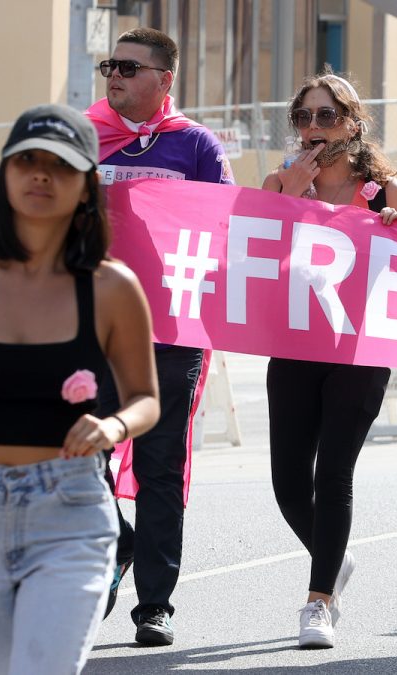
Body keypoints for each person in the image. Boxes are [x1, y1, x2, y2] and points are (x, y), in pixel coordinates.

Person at [0, 104, 159, 674]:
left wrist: (112, 426)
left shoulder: (111, 287)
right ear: (5, 173)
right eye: (28, 161)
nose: (41, 175)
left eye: (60, 165)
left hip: (69, 513)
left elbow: (145, 398)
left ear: (87, 186)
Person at [86, 27, 234, 646]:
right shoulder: (84, 138)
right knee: (77, 453)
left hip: (172, 332)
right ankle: (117, 542)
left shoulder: (196, 145)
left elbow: (230, 228)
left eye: (128, 67)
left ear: (164, 80)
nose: (113, 76)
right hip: (86, 330)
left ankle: (154, 603)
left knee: (159, 466)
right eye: (108, 66)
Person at [261, 71, 397, 649]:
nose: (314, 128)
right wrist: (289, 194)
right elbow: (251, 253)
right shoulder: (279, 180)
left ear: (353, 123)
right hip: (295, 343)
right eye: (304, 117)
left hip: (358, 347)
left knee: (334, 472)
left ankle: (318, 601)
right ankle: (335, 559)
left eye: (327, 116)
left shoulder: (383, 188)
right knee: (288, 480)